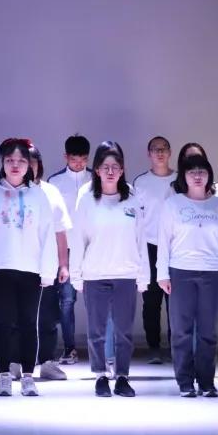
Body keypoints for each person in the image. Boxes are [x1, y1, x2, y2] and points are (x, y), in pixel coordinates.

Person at [0, 138, 57, 398]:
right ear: (3, 163)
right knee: (3, 322)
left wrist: (48, 270)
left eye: (21, 161)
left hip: (31, 269)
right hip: (0, 268)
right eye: (10, 160)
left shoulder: (38, 195)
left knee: (29, 322)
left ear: (29, 165)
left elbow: (47, 234)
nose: (15, 165)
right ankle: (4, 376)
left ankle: (29, 377)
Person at [70, 141, 147, 398]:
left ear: (122, 170)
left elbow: (140, 238)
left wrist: (143, 276)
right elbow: (78, 239)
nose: (111, 171)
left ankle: (122, 376)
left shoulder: (132, 198)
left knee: (124, 331)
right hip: (95, 274)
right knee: (97, 331)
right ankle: (100, 376)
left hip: (126, 274)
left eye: (115, 167)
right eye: (105, 167)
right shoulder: (87, 199)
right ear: (97, 170)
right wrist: (76, 275)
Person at [157, 153, 218, 398]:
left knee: (208, 331)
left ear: (209, 175)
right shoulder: (173, 204)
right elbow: (164, 240)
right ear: (184, 176)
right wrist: (162, 274)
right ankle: (185, 381)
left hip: (212, 272)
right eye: (192, 172)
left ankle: (207, 381)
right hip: (181, 271)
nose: (197, 176)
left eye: (202, 171)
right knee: (181, 330)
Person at [18, 145, 72, 382]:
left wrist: (63, 264)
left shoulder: (51, 192)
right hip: (17, 263)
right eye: (23, 161)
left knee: (48, 315)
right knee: (17, 315)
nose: (28, 166)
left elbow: (61, 231)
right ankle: (15, 361)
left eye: (32, 161)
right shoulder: (9, 191)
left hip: (46, 264)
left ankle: (47, 362)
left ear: (39, 164)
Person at [47, 134, 91, 366]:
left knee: (96, 299)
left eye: (83, 159)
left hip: (92, 247)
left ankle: (102, 349)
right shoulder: (55, 182)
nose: (79, 163)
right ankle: (69, 347)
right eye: (74, 159)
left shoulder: (95, 178)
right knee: (66, 300)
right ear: (66, 157)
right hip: (66, 249)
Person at [133, 135, 177, 364]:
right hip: (149, 246)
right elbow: (136, 219)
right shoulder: (140, 183)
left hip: (176, 246)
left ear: (170, 152)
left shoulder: (180, 180)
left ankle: (176, 346)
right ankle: (154, 347)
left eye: (164, 148)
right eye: (155, 149)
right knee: (151, 301)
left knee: (175, 302)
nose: (160, 153)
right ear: (148, 154)